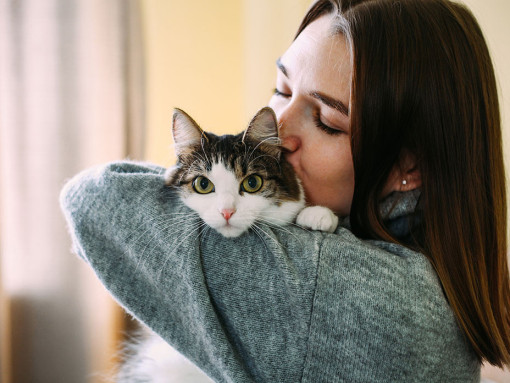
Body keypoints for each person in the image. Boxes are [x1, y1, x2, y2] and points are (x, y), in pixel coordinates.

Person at [60, 0, 510, 381]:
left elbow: (96, 201)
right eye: (281, 89)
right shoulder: (433, 278)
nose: (279, 131)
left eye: (327, 121)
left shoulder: (356, 295)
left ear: (405, 168)